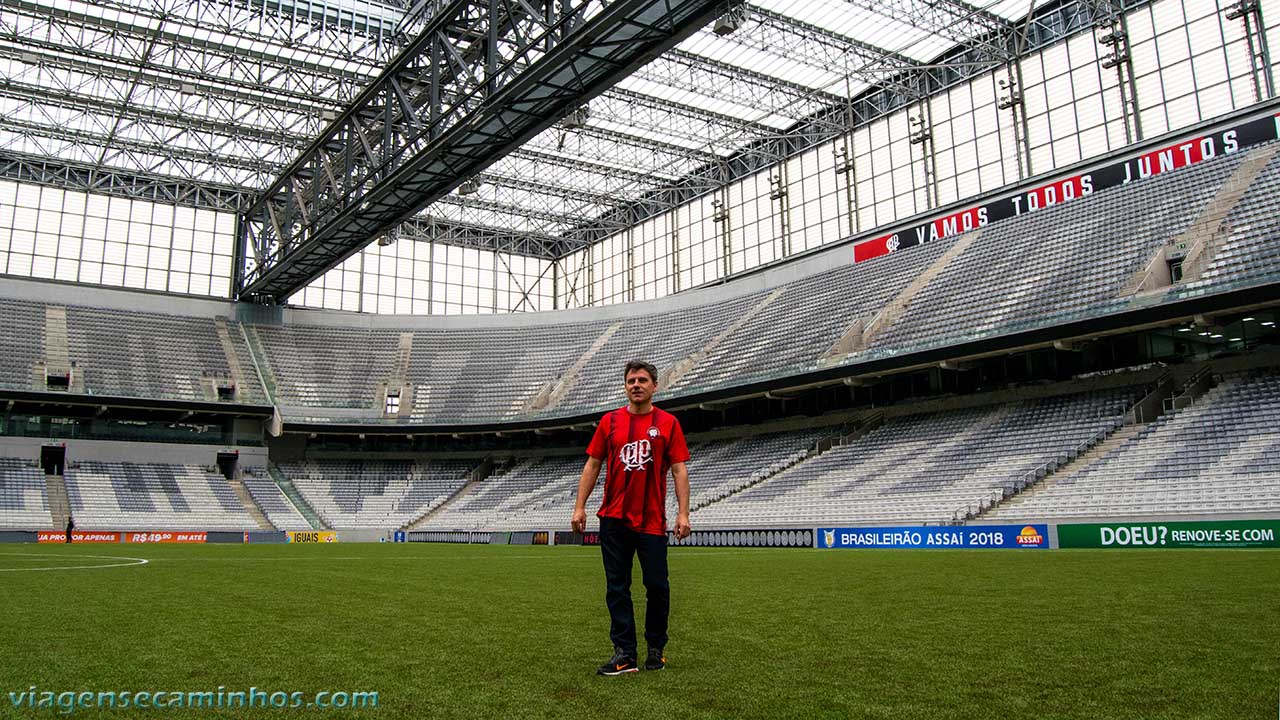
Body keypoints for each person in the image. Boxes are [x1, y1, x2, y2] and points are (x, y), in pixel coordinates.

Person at [572, 360, 691, 676]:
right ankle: (624, 653)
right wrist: (579, 506)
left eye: (642, 380)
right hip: (613, 518)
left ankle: (656, 649)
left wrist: (683, 512)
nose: (636, 385)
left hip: (651, 520)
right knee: (617, 587)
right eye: (630, 381)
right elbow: (593, 465)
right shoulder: (609, 422)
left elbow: (679, 469)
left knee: (657, 587)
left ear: (654, 386)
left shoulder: (668, 424)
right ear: (625, 387)